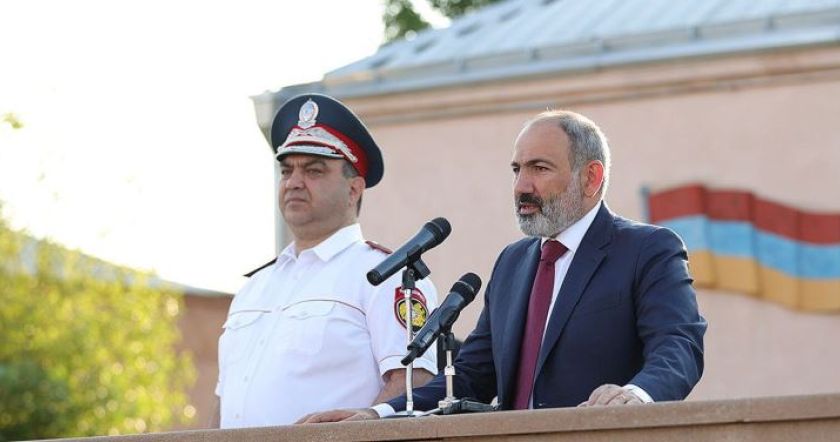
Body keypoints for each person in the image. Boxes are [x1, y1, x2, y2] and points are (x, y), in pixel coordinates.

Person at [297, 109, 706, 423]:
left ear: (591, 178)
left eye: (539, 168)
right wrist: (377, 413)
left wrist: (636, 395)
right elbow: (471, 375)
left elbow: (678, 346)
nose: (521, 186)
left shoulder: (646, 250)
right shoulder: (513, 262)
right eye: (517, 170)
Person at [212, 93, 438, 428]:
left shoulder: (387, 275)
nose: (294, 183)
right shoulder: (254, 287)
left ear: (354, 189)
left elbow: (412, 382)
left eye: (313, 171)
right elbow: (226, 401)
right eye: (286, 170)